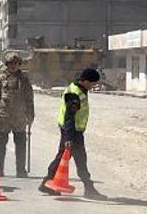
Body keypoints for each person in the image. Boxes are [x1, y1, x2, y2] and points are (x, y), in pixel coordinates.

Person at [39, 68, 107, 200]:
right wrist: (69, 138)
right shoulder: (75, 94)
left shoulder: (79, 89)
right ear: (86, 81)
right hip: (72, 132)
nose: (93, 86)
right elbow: (69, 117)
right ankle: (89, 188)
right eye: (92, 83)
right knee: (79, 159)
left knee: (65, 158)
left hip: (73, 131)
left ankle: (46, 183)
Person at [0, 53, 34, 178]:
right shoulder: (0, 79)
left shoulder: (24, 80)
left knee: (20, 145)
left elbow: (29, 98)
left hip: (19, 118)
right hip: (4, 117)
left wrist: (30, 115)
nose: (13, 66)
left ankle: (20, 170)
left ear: (19, 65)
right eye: (10, 64)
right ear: (7, 65)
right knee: (0, 144)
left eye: (15, 64)